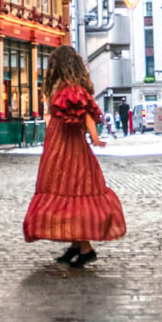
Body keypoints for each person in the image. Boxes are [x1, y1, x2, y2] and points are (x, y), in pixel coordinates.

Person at [23, 46, 126, 268]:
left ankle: (85, 248)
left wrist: (95, 137)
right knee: (67, 190)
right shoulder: (66, 86)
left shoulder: (71, 88)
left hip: (68, 145)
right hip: (59, 144)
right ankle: (77, 244)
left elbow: (87, 113)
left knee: (71, 190)